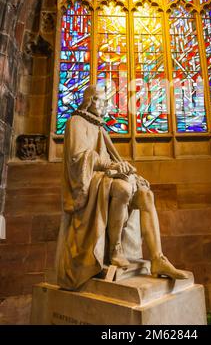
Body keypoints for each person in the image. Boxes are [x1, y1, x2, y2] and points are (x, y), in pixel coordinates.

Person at [56, 85, 188, 289]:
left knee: (145, 195)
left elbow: (112, 158)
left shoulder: (99, 127)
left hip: (108, 178)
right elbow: (78, 158)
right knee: (123, 190)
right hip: (92, 183)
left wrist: (129, 172)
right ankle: (115, 249)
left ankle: (157, 258)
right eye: (101, 100)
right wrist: (111, 166)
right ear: (90, 100)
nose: (105, 105)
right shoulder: (76, 122)